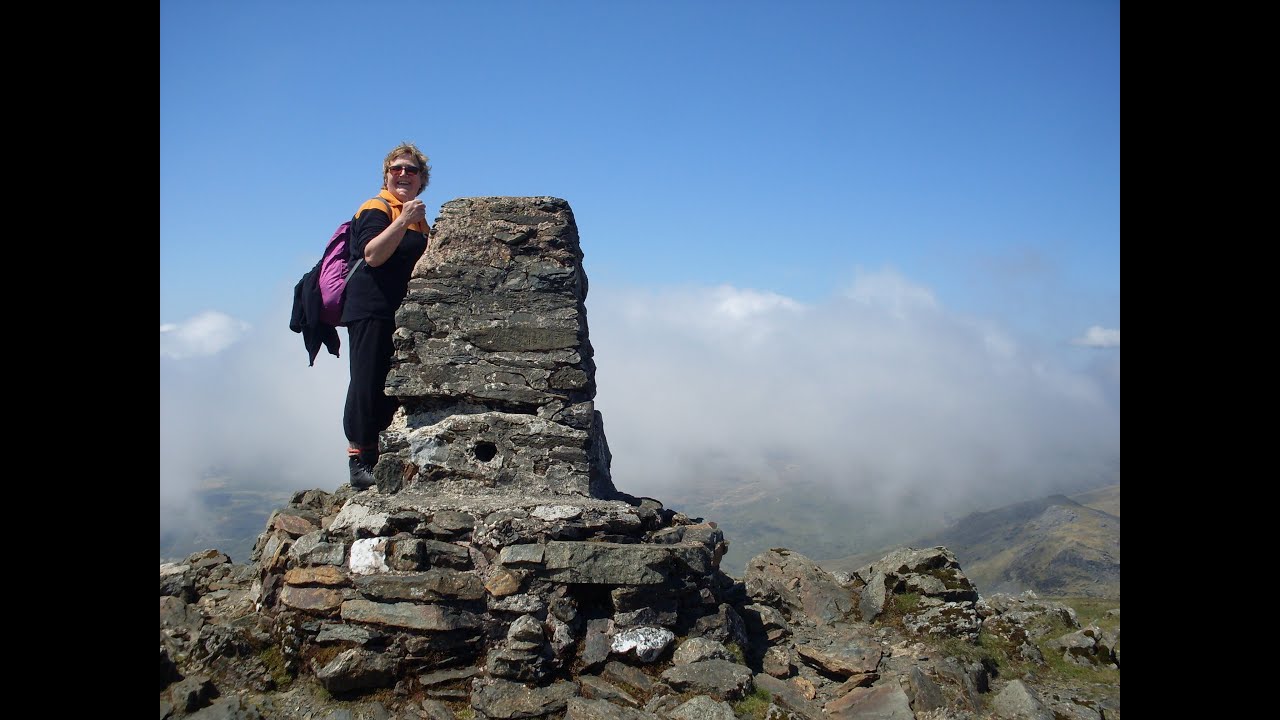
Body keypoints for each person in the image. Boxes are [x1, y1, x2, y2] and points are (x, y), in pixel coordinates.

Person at [341, 142, 432, 489]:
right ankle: (358, 461)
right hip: (368, 307)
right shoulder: (378, 208)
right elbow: (374, 254)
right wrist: (405, 218)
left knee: (386, 384)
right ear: (386, 175)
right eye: (397, 169)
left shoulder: (418, 220)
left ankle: (379, 455)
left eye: (411, 170)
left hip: (398, 310)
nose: (404, 174)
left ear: (422, 179)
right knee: (365, 380)